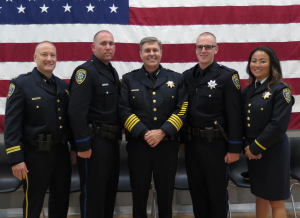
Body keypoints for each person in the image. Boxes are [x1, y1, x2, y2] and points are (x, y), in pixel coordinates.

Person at [4, 41, 76, 218]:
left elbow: (69, 121)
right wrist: (16, 159)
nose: (49, 58)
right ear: (35, 57)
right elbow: (11, 126)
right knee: (33, 201)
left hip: (60, 153)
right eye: (44, 55)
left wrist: (74, 146)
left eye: (52, 55)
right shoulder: (21, 85)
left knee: (61, 199)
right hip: (35, 156)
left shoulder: (63, 87)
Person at [118, 37, 188, 218]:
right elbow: (123, 110)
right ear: (140, 54)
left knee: (166, 195)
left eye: (155, 50)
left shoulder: (177, 79)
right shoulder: (129, 79)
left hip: (167, 146)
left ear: (161, 53)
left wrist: (162, 132)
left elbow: (182, 109)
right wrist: (145, 132)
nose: (151, 54)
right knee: (139, 195)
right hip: (138, 146)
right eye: (147, 50)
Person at [182, 32, 243, 218]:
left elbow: (235, 115)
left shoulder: (227, 76)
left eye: (208, 47)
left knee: (216, 195)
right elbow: (184, 112)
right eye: (199, 47)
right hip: (193, 146)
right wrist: (183, 141)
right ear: (195, 49)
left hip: (216, 146)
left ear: (216, 49)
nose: (203, 50)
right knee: (197, 193)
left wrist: (234, 148)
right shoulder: (187, 76)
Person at [68, 30, 121, 218]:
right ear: (93, 47)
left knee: (108, 191)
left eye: (111, 43)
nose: (108, 47)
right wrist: (82, 145)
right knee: (93, 194)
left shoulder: (111, 71)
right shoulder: (86, 72)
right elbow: (75, 112)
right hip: (93, 144)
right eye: (103, 43)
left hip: (111, 143)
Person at [243, 46, 294, 218]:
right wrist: (248, 148)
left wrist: (255, 147)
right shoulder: (247, 91)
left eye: (262, 61)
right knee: (260, 195)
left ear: (272, 64)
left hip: (273, 153)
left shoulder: (281, 90)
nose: (257, 65)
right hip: (254, 153)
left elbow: (278, 125)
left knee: (276, 200)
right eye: (254, 61)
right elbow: (242, 123)